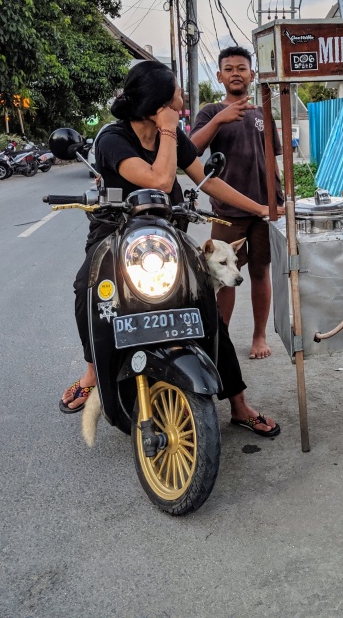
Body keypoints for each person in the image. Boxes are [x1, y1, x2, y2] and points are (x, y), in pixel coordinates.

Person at [60, 60, 281, 437]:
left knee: (205, 308)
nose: (182, 99)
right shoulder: (113, 139)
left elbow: (205, 182)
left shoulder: (174, 135)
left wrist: (258, 207)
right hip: (115, 234)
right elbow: (160, 181)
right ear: (157, 102)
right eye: (177, 93)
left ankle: (239, 405)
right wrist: (166, 130)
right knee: (87, 289)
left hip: (166, 233)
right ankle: (93, 371)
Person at [190, 46, 282, 360]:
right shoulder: (210, 111)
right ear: (219, 76)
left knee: (260, 272)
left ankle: (259, 336)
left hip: (263, 211)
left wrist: (279, 198)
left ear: (252, 75)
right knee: (223, 276)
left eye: (241, 68)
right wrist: (219, 120)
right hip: (227, 213)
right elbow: (190, 150)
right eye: (228, 69)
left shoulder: (262, 113)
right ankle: (222, 338)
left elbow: (273, 160)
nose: (235, 73)